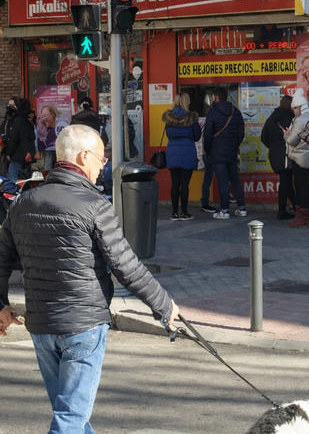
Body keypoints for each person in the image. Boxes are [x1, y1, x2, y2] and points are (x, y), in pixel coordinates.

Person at [0, 124, 180, 433]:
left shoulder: (22, 204)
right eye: (101, 158)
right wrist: (165, 306)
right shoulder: (95, 206)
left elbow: (2, 260)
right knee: (70, 418)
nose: (103, 165)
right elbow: (127, 266)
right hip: (82, 326)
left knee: (72, 412)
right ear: (83, 157)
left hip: (42, 326)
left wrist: (1, 304)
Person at [203, 86, 246, 219]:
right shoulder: (236, 112)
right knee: (235, 179)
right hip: (231, 152)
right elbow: (241, 133)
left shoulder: (212, 113)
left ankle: (225, 210)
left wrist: (208, 151)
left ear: (215, 98)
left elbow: (208, 134)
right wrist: (234, 146)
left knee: (222, 181)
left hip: (217, 152)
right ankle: (242, 208)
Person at [283, 88, 309, 228]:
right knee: (305, 185)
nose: (294, 111)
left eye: (294, 108)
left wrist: (286, 134)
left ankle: (303, 218)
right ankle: (307, 217)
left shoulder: (300, 120)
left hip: (300, 157)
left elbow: (292, 141)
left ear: (298, 107)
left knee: (301, 186)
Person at [163, 92, 201, 221]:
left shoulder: (169, 118)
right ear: (186, 101)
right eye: (189, 99)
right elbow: (197, 137)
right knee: (185, 184)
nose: (190, 101)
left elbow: (169, 134)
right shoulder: (192, 118)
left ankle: (174, 213)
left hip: (172, 152)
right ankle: (184, 213)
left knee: (175, 183)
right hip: (188, 152)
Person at [261, 95, 296, 220]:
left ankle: (296, 206)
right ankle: (281, 211)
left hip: (274, 153)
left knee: (286, 180)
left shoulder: (271, 118)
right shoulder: (292, 117)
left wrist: (274, 147)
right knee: (285, 181)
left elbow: (263, 137)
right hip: (286, 152)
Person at [5, 98, 37, 182]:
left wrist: (8, 153)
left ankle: (13, 193)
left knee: (12, 174)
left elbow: (14, 138)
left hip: (19, 153)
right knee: (26, 175)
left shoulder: (18, 120)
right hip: (28, 153)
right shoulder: (29, 120)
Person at [0, 98, 17, 176]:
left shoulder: (16, 118)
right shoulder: (8, 117)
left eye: (12, 105)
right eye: (9, 105)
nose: (10, 107)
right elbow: (4, 129)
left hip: (13, 145)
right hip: (6, 144)